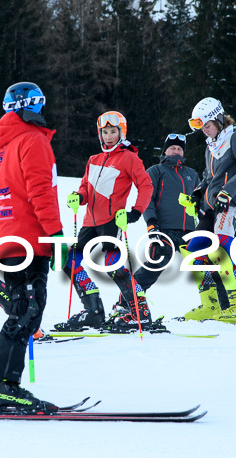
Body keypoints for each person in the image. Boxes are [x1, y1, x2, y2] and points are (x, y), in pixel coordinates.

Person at [0, 82, 64, 412]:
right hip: (29, 237)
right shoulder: (33, 140)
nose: (43, 110)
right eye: (39, 104)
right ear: (29, 106)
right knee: (28, 312)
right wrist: (55, 235)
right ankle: (1, 385)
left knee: (23, 311)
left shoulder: (3, 146)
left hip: (10, 238)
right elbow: (40, 191)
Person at [54, 111, 153, 332]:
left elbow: (146, 186)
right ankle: (93, 309)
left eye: (113, 132)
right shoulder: (94, 160)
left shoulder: (129, 158)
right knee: (68, 260)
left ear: (121, 133)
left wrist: (134, 213)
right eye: (105, 132)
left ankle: (140, 311)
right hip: (90, 221)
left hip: (111, 221)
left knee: (111, 265)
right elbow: (85, 188)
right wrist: (78, 197)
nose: (108, 136)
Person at [182, 97, 236, 325]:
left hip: (229, 203)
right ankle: (211, 304)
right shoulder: (212, 144)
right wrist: (197, 193)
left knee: (222, 245)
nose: (204, 131)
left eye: (206, 125)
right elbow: (209, 177)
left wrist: (228, 191)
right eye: (201, 127)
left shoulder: (235, 137)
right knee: (194, 250)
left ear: (218, 119)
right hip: (210, 208)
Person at [111, 133, 200, 317]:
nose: (176, 151)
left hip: (190, 231)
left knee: (204, 265)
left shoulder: (192, 174)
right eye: (172, 148)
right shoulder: (156, 170)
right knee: (156, 264)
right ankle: (126, 303)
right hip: (164, 229)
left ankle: (218, 304)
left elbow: (201, 200)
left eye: (179, 148)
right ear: (165, 150)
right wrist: (151, 224)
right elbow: (147, 199)